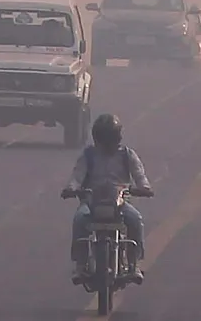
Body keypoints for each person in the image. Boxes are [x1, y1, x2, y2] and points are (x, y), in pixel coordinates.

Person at [61, 113, 153, 284]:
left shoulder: (127, 155)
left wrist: (144, 188)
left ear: (117, 137)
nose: (107, 143)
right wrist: (71, 188)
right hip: (91, 201)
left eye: (110, 138)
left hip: (120, 202)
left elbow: (139, 175)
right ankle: (80, 265)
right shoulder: (88, 155)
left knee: (135, 219)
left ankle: (133, 264)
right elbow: (77, 175)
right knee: (80, 219)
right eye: (104, 139)